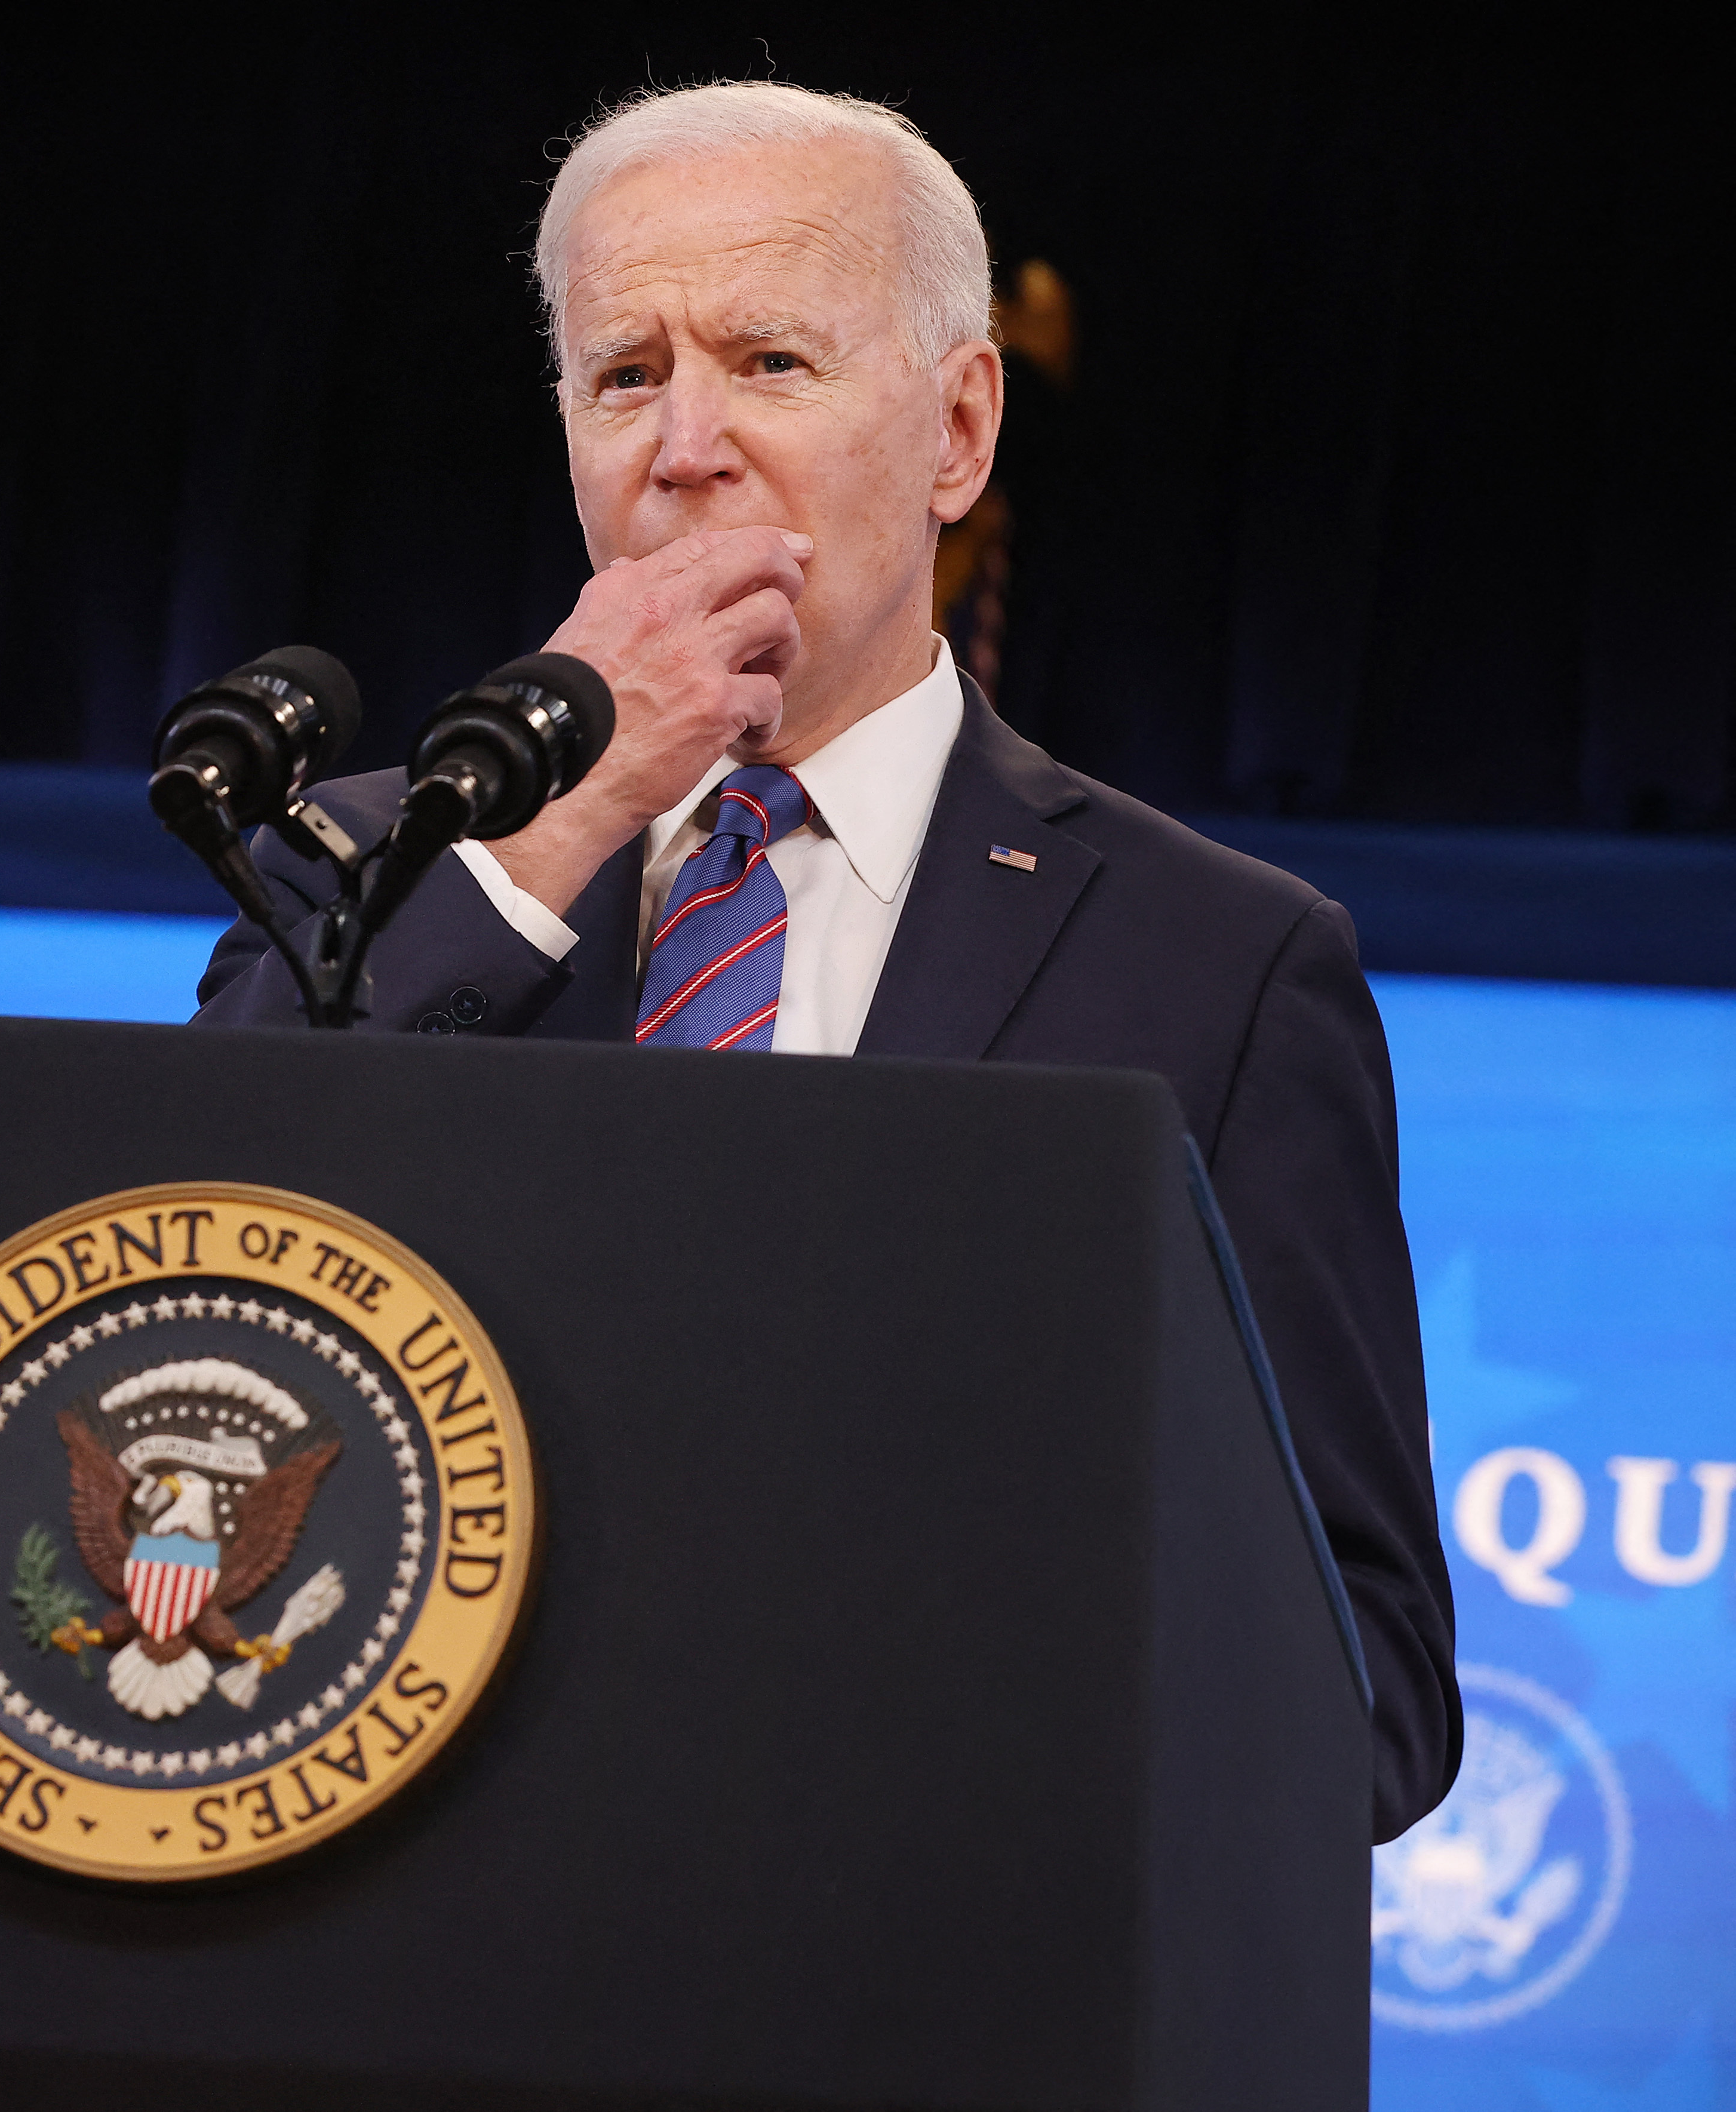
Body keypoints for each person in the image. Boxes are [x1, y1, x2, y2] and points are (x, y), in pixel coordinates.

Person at [192, 79, 1459, 1842]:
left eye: (770, 364)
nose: (684, 443)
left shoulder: (1222, 969)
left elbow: (1365, 1683)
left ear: (955, 432)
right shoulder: (361, 860)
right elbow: (187, 1290)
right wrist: (563, 814)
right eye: (623, 374)